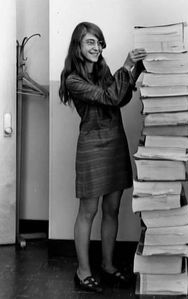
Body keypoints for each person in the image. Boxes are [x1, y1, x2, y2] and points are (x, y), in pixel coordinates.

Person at [59, 21, 146, 293]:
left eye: (98, 42)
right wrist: (127, 64)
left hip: (114, 142)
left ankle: (107, 265)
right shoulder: (73, 80)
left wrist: (137, 67)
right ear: (78, 46)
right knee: (89, 211)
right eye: (89, 42)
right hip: (92, 146)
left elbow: (119, 98)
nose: (96, 47)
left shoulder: (103, 69)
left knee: (111, 209)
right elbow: (108, 96)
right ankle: (83, 271)